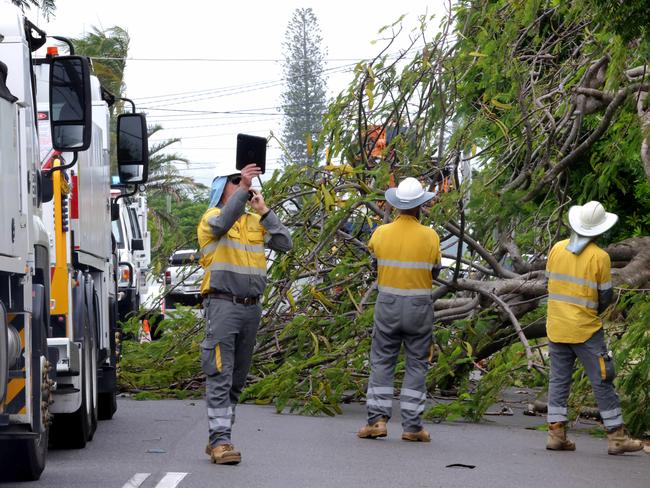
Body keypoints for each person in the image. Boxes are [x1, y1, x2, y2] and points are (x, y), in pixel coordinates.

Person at [197, 163, 292, 465]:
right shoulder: (212, 219)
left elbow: (285, 243)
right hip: (223, 305)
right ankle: (221, 441)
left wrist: (265, 211)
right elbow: (224, 222)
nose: (244, 183)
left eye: (245, 179)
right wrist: (243, 190)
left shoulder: (254, 221)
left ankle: (221, 436)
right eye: (236, 180)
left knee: (237, 378)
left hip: (251, 308)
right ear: (221, 188)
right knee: (220, 374)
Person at [545, 200, 643, 455]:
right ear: (597, 230)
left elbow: (549, 283)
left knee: (558, 380)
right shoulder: (600, 257)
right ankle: (617, 437)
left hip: (556, 326)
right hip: (585, 329)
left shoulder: (556, 249)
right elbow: (605, 297)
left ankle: (556, 434)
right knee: (602, 379)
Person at [358, 177, 441, 442]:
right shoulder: (430, 236)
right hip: (419, 308)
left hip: (388, 306)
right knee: (417, 364)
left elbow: (374, 261)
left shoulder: (381, 233)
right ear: (419, 206)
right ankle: (413, 427)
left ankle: (377, 421)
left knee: (382, 360)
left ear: (396, 206)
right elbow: (436, 270)